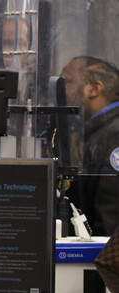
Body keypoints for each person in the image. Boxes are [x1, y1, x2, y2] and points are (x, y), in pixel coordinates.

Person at [62, 56, 119, 236]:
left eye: (67, 82)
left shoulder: (114, 135)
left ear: (94, 89)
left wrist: (97, 259)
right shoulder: (94, 132)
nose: (62, 90)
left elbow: (111, 214)